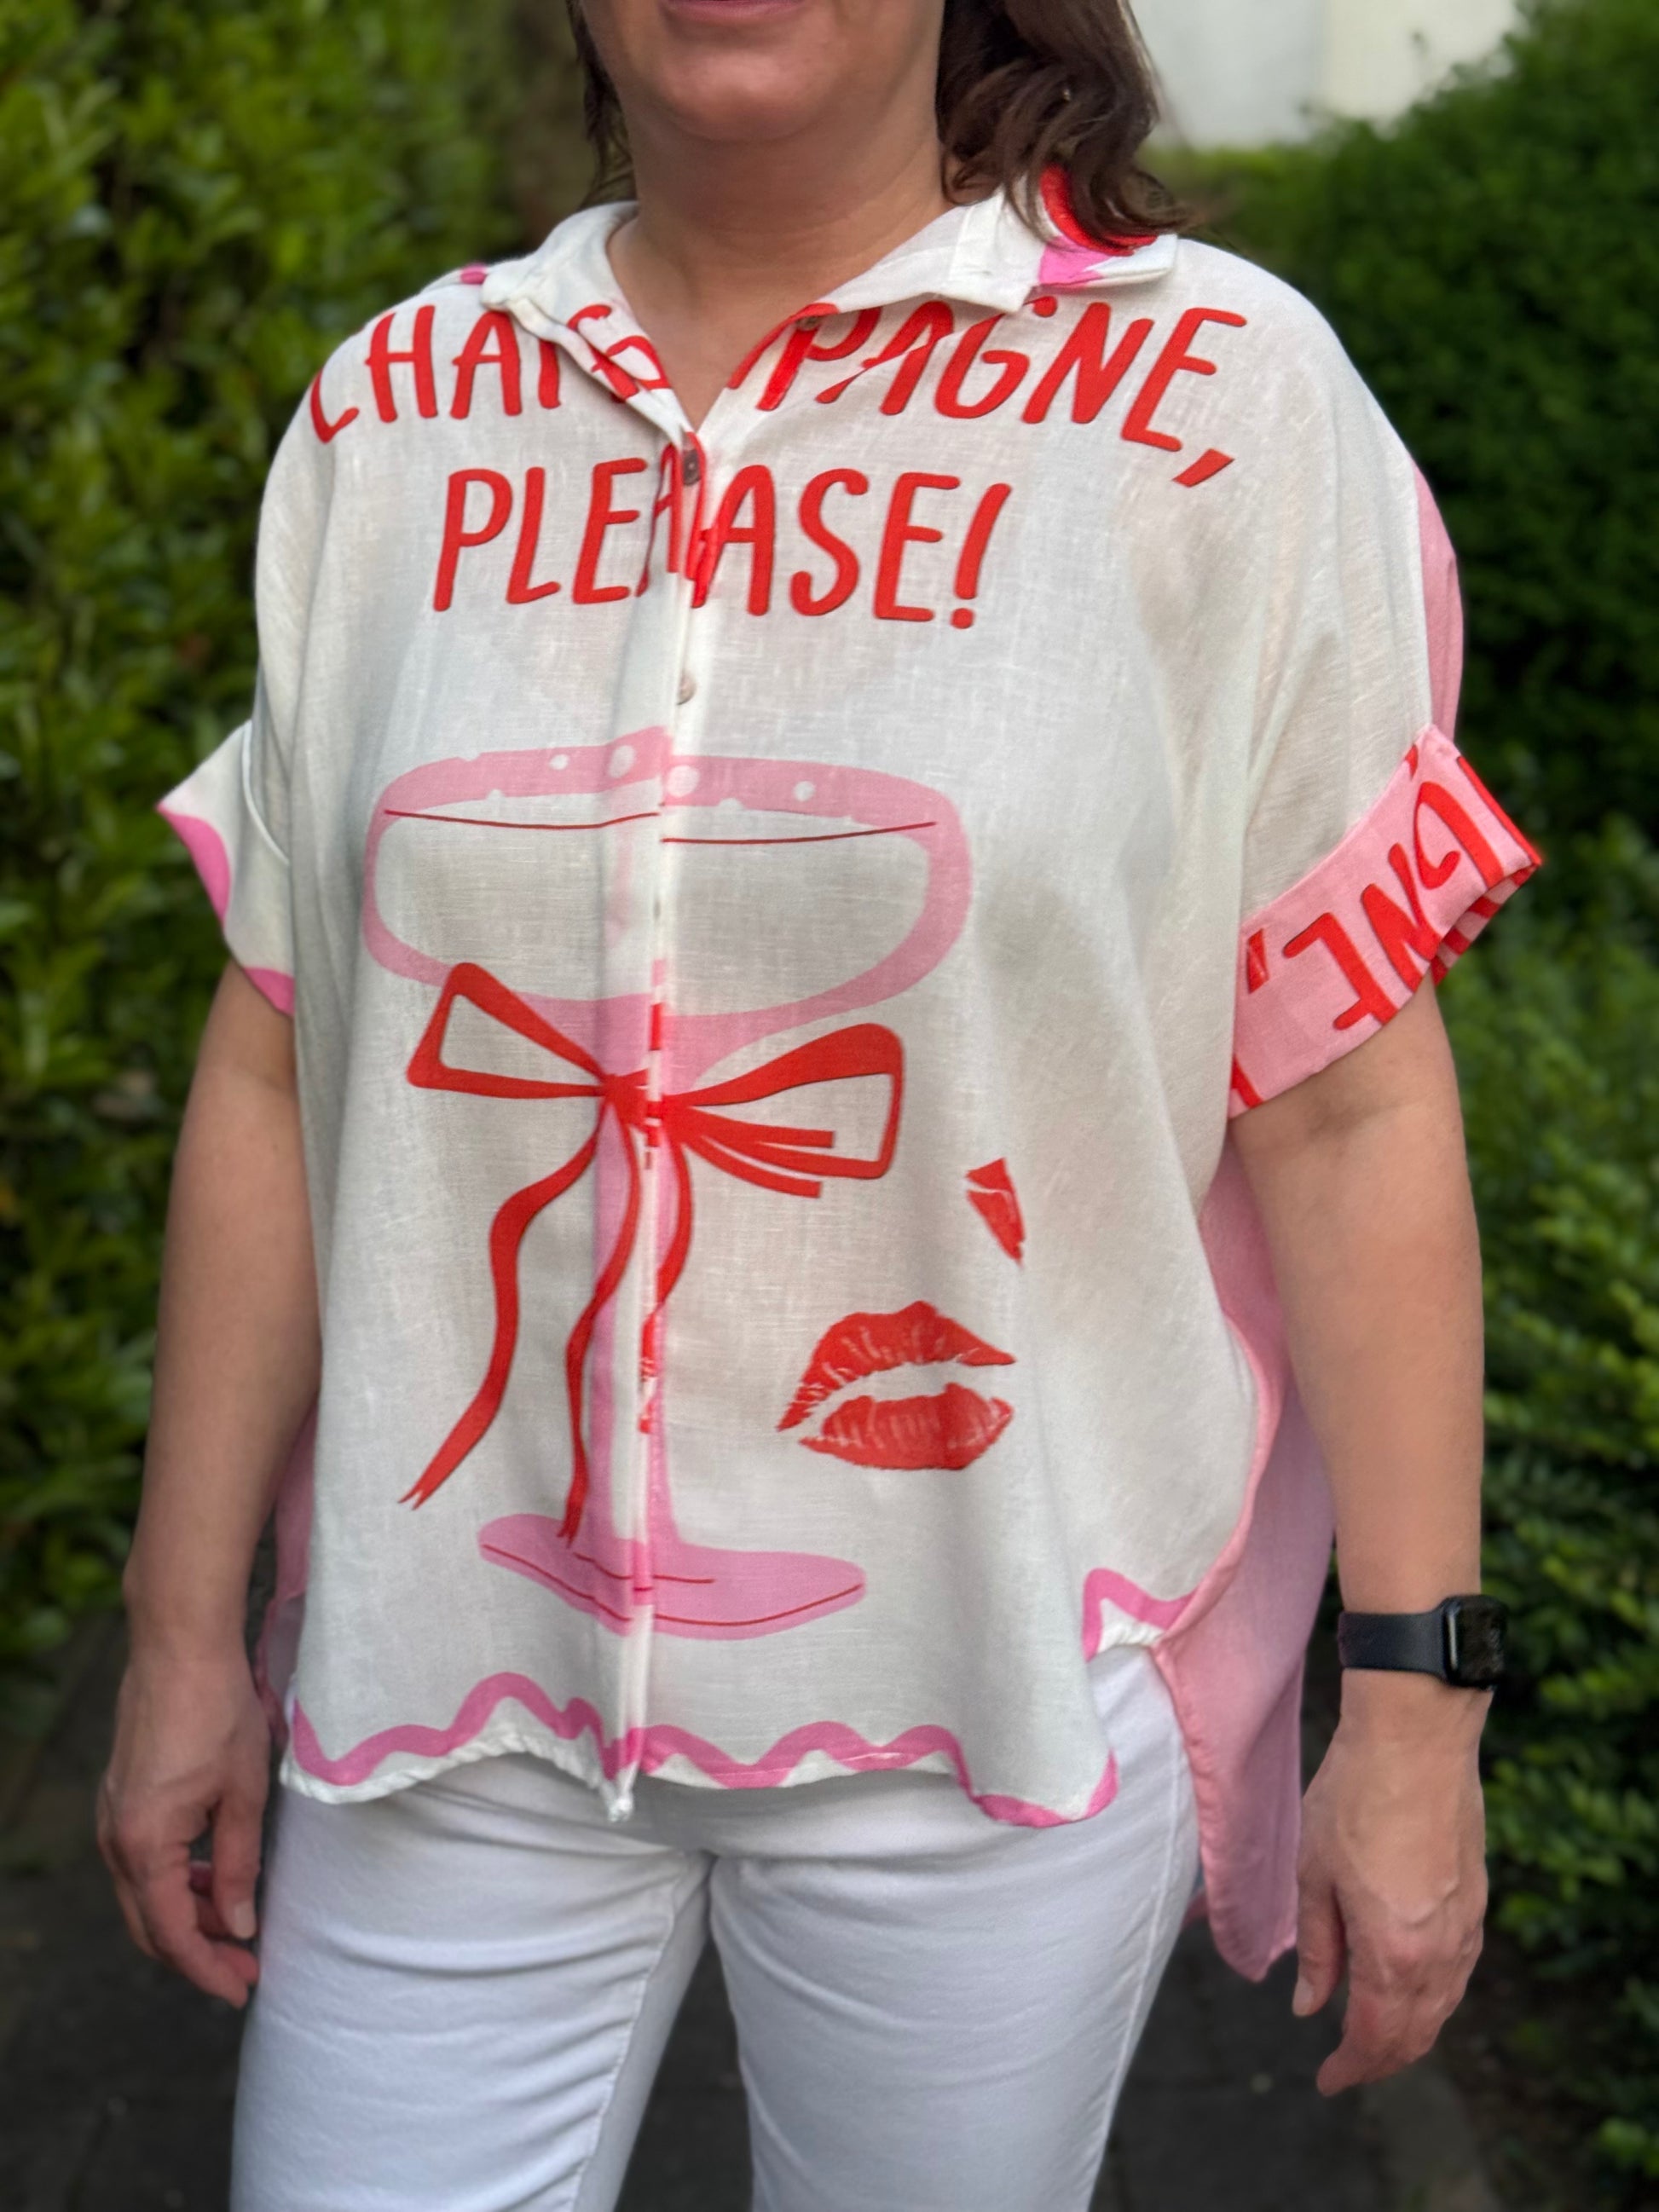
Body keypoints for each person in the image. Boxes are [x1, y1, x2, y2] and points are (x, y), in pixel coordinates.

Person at [96, 2, 1539, 2206]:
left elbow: (1345, 1109)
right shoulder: (397, 409)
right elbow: (273, 1057)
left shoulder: (1218, 399)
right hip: (446, 1674)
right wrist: (182, 1631)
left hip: (983, 1701)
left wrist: (1417, 1707)